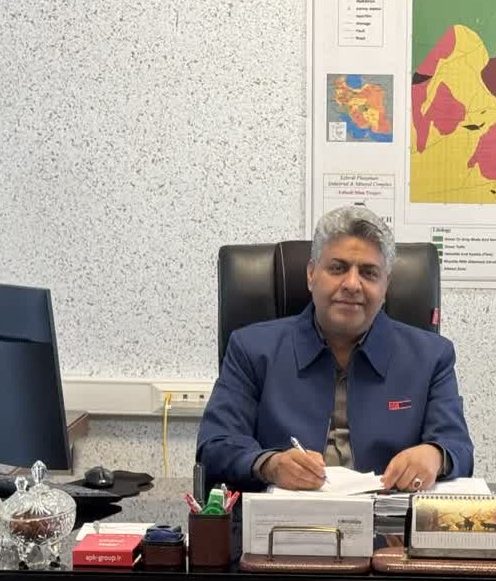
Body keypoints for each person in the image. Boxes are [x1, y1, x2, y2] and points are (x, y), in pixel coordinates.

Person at [196, 205, 474, 492]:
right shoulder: (251, 349)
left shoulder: (431, 357)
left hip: (389, 518)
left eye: (369, 273)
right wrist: (269, 465)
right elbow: (215, 446)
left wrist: (435, 455)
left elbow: (459, 448)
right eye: (338, 268)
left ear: (386, 285)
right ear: (311, 274)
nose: (352, 284)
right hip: (284, 515)